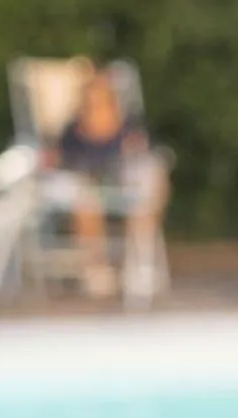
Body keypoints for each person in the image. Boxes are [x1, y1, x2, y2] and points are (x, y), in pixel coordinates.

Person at [43, 59, 166, 300]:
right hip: (89, 187)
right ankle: (96, 269)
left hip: (124, 186)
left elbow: (146, 155)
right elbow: (61, 162)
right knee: (85, 199)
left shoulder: (129, 127)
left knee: (149, 183)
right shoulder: (72, 132)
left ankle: (141, 262)